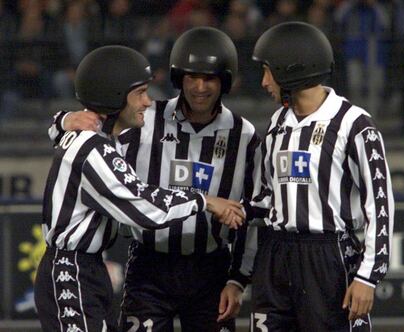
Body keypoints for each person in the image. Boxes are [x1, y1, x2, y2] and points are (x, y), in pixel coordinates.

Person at [48, 27, 261, 332]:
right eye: (191, 77)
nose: (200, 87)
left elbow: (249, 215)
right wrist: (64, 120)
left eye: (210, 78)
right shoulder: (145, 117)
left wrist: (237, 281)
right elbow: (85, 137)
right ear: (178, 78)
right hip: (150, 267)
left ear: (225, 80)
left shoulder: (245, 136)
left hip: (211, 270)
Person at [238, 21, 394, 331]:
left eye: (268, 71)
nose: (265, 81)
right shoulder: (277, 122)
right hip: (276, 255)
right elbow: (270, 197)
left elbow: (380, 205)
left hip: (329, 257)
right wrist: (238, 210)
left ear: (290, 70)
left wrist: (367, 276)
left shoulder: (354, 123)